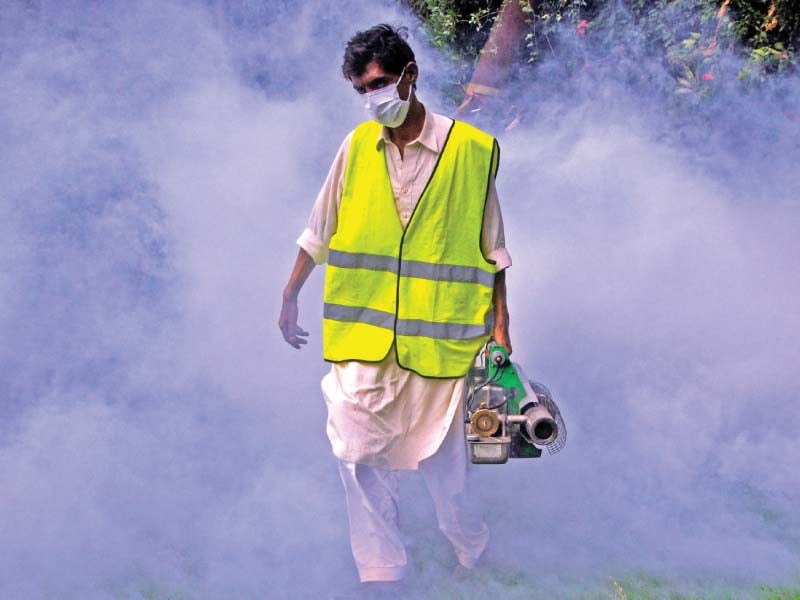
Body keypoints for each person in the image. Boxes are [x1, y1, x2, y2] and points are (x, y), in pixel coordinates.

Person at [278, 23, 512, 589]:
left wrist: (502, 333)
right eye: (361, 90)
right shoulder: (356, 147)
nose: (371, 99)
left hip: (442, 343)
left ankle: (472, 551)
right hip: (364, 340)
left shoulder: (473, 153)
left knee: (444, 467)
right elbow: (320, 228)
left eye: (378, 84)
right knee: (358, 454)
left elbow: (494, 250)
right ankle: (382, 573)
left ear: (410, 75)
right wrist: (289, 294)